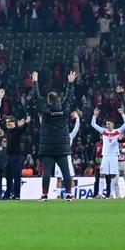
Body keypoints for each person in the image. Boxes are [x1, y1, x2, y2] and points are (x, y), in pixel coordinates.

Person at [31, 70, 78, 201]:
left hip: (48, 148)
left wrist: (35, 82)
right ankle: (69, 194)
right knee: (66, 172)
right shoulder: (64, 109)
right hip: (62, 147)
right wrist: (70, 83)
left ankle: (45, 195)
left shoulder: (45, 111)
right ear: (57, 99)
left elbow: (36, 98)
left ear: (48, 100)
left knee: (46, 172)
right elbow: (69, 97)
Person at [90, 107, 125, 198]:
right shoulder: (104, 132)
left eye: (109, 124)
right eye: (106, 124)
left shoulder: (117, 131)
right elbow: (93, 124)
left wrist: (123, 114)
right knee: (102, 174)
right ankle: (100, 194)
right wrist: (94, 115)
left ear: (112, 124)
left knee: (112, 175)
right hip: (105, 156)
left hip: (114, 156)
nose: (107, 125)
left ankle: (111, 194)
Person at [3, 115, 31, 199]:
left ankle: (17, 195)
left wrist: (26, 123)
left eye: (9, 122)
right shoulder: (8, 130)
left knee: (16, 177)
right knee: (8, 177)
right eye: (6, 122)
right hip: (9, 157)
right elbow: (2, 126)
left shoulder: (17, 130)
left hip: (17, 157)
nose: (7, 123)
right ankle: (7, 195)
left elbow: (22, 130)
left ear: (14, 122)